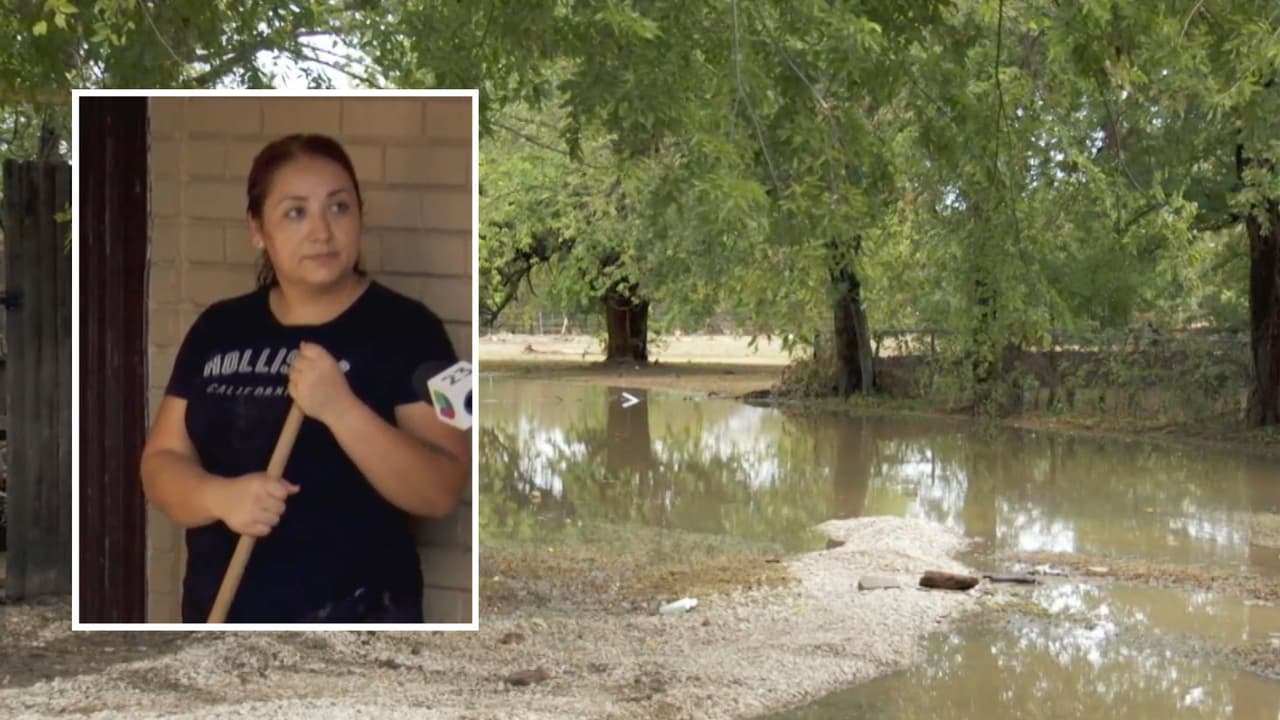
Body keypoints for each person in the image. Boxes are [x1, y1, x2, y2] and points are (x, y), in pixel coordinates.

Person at [140, 133, 469, 623]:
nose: (321, 231)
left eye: (338, 208)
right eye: (295, 212)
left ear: (360, 214)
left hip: (360, 624)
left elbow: (444, 488)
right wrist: (220, 497)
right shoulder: (215, 328)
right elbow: (159, 461)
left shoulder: (421, 331)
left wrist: (341, 409)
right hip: (221, 620)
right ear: (257, 229)